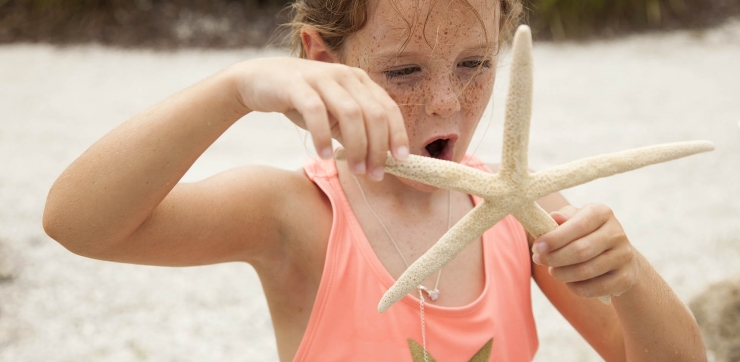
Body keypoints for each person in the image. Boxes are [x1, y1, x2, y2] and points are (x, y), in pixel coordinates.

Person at [42, 0, 706, 360]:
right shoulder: (293, 216)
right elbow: (79, 224)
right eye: (404, 72)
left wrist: (630, 278)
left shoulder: (525, 212)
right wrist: (235, 89)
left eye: (475, 62)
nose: (447, 102)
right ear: (321, 61)